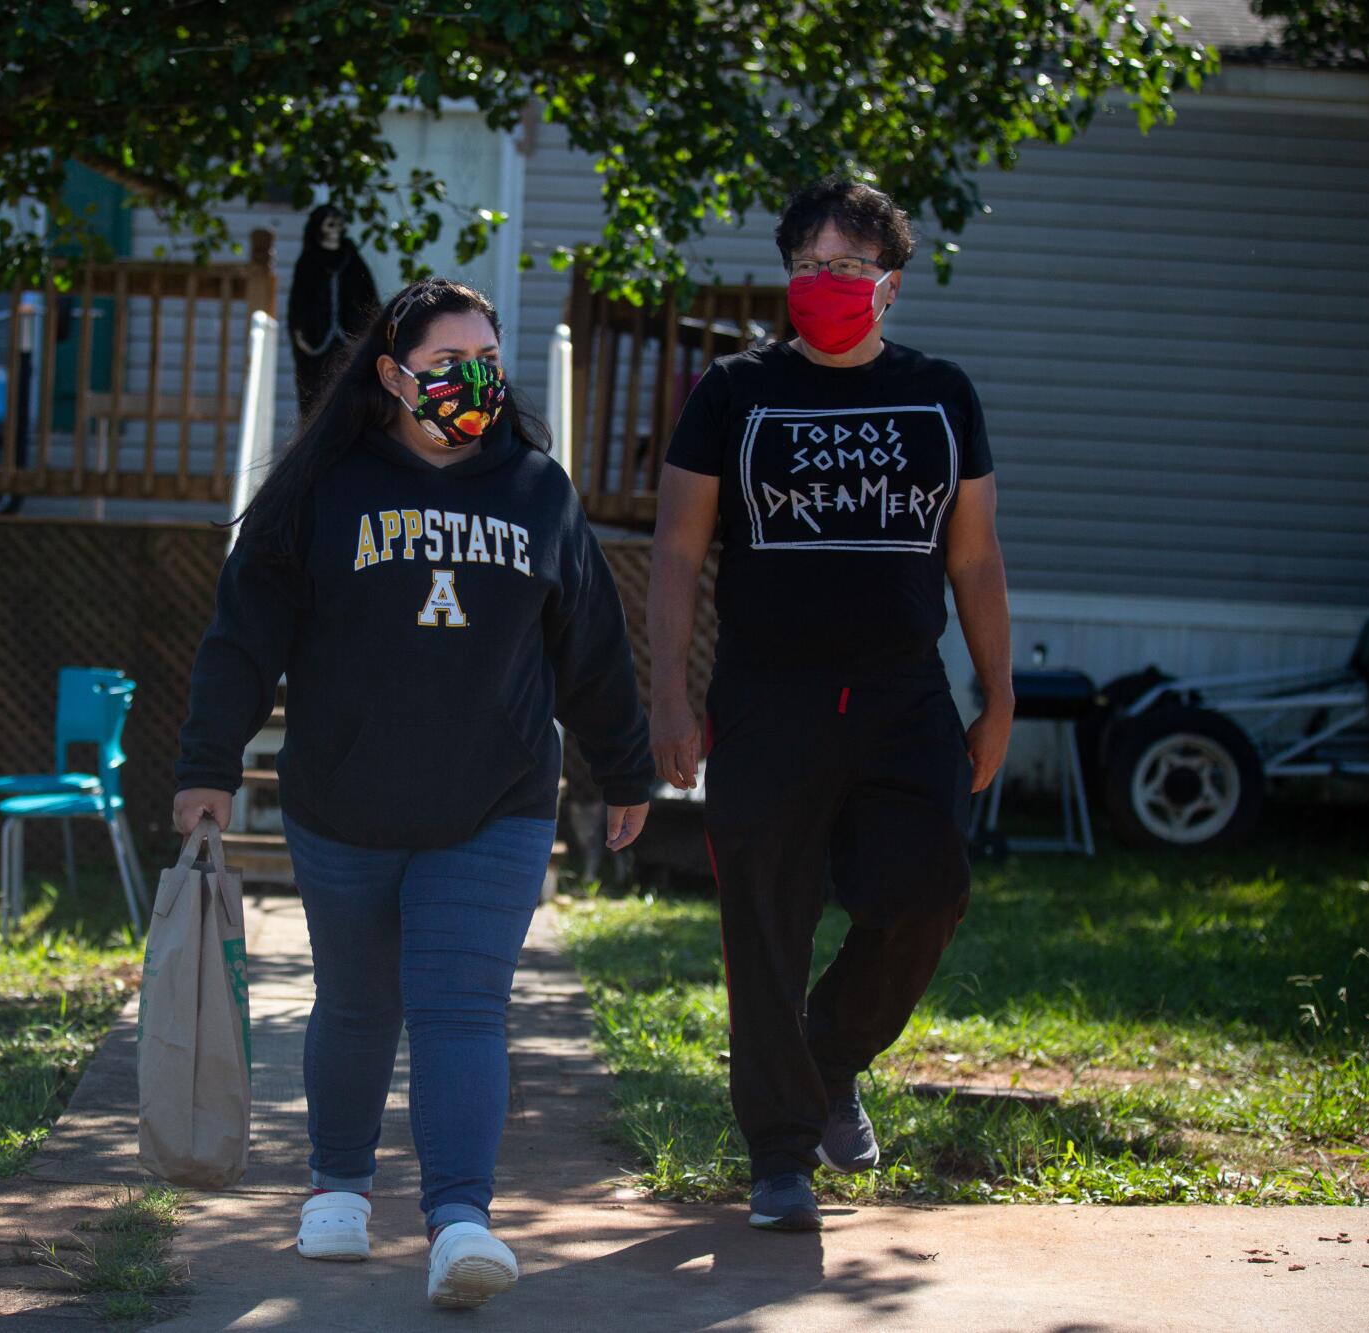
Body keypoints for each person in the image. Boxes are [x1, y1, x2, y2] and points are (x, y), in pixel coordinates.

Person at [175, 277, 653, 1308]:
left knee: (461, 1007)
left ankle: (460, 1222)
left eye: (485, 360)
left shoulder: (536, 490)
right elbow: (242, 636)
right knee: (355, 1001)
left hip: (496, 798)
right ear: (392, 376)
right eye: (446, 365)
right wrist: (207, 765)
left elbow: (593, 649)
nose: (471, 381)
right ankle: (337, 1185)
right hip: (342, 799)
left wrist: (624, 765)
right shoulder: (322, 488)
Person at [648, 177, 1013, 1233]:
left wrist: (996, 698)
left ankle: (829, 1056)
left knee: (925, 890)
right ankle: (777, 1154)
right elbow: (674, 553)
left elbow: (976, 560)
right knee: (763, 921)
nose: (824, 284)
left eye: (847, 267)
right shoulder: (732, 392)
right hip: (767, 701)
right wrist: (668, 695)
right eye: (806, 265)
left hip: (904, 699)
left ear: (888, 284)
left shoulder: (940, 394)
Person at [286, 205, 380, 414]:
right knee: (318, 387)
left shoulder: (350, 256)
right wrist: (301, 332)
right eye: (330, 224)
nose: (335, 229)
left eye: (339, 223)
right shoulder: (309, 260)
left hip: (348, 337)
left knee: (348, 383)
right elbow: (299, 301)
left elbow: (366, 293)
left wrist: (370, 328)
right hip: (317, 341)